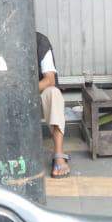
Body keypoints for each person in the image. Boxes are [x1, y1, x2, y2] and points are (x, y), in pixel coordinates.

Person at [36, 32, 69, 177]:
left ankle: (59, 155)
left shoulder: (39, 41)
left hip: (34, 95)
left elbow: (49, 80)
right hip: (9, 98)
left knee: (53, 93)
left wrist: (26, 91)